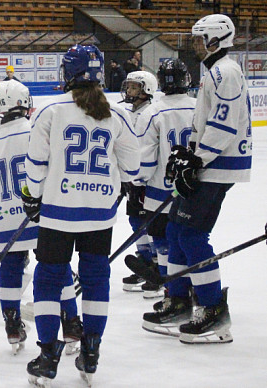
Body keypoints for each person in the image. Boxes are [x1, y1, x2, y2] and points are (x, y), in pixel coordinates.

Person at [23, 44, 140, 387]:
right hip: (100, 214)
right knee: (95, 280)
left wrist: (34, 196)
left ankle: (47, 355)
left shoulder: (50, 111)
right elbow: (133, 167)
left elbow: (35, 166)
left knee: (48, 280)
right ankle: (91, 350)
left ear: (67, 73)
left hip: (58, 213)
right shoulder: (117, 114)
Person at [155, 14, 250, 345]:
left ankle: (213, 310)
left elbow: (223, 124)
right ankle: (180, 299)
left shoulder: (225, 72)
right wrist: (189, 154)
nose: (195, 44)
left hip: (218, 165)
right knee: (175, 229)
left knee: (192, 236)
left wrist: (197, 158)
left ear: (216, 40)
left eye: (200, 38)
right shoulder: (215, 71)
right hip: (211, 161)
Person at [0, 79, 83, 356]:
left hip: (5, 216)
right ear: (25, 102)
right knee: (56, 266)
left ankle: (12, 324)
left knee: (11, 268)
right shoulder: (35, 129)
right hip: (38, 210)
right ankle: (71, 322)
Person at [136, 58, 197, 337]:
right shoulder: (199, 106)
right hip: (194, 187)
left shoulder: (153, 112)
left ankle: (173, 292)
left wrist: (136, 183)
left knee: (162, 240)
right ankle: (189, 289)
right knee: (189, 240)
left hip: (160, 189)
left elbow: (145, 159)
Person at [119, 70, 161, 297]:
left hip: (146, 179)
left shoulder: (152, 113)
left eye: (134, 87)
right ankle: (144, 262)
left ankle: (156, 265)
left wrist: (138, 177)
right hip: (131, 178)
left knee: (151, 222)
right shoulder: (129, 112)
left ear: (146, 90)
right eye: (129, 86)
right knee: (135, 219)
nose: (129, 90)